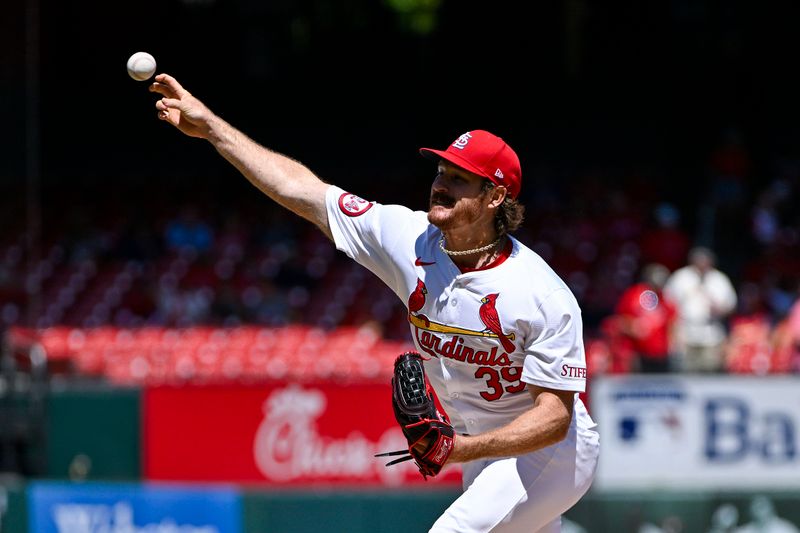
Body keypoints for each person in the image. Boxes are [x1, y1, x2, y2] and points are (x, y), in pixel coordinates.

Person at [148, 73, 600, 532]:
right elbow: (302, 190)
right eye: (441, 172)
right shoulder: (409, 237)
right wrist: (211, 129)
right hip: (482, 453)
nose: (440, 185)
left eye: (459, 179)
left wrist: (457, 449)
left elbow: (555, 418)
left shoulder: (541, 294)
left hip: (549, 456)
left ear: (495, 196)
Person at [662, 246, 737, 373]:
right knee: (685, 372)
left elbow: (731, 305)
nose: (702, 264)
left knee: (710, 371)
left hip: (711, 333)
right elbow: (667, 305)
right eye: (699, 260)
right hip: (686, 332)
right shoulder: (681, 277)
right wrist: (672, 334)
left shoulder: (719, 279)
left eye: (705, 261)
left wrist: (721, 310)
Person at [609, 262, 677, 373]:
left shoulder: (665, 298)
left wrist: (673, 342)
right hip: (637, 353)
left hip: (661, 355)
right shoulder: (633, 294)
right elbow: (618, 321)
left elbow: (672, 321)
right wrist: (633, 327)